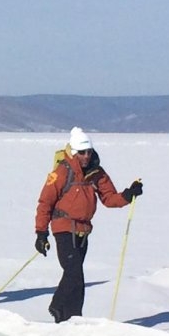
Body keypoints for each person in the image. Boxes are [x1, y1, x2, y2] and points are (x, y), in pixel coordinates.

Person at [35, 127, 142, 323]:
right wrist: (41, 233)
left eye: (89, 152)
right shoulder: (61, 172)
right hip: (63, 227)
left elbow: (109, 198)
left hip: (84, 231)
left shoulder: (96, 172)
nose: (86, 156)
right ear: (74, 153)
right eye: (82, 152)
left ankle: (73, 319)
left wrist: (128, 195)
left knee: (78, 277)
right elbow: (45, 202)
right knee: (73, 270)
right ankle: (57, 306)